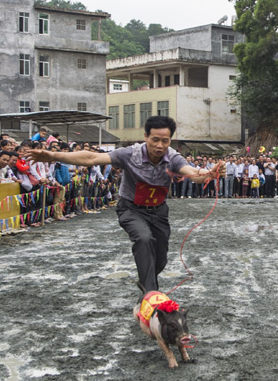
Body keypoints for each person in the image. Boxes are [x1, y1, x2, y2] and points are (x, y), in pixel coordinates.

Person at [27, 116, 218, 293]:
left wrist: (210, 173)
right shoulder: (130, 154)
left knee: (160, 259)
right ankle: (151, 293)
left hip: (159, 212)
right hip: (131, 209)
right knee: (144, 239)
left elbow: (193, 173)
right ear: (146, 137)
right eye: (155, 140)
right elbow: (92, 158)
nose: (160, 146)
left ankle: (146, 283)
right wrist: (53, 156)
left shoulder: (173, 158)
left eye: (165, 141)